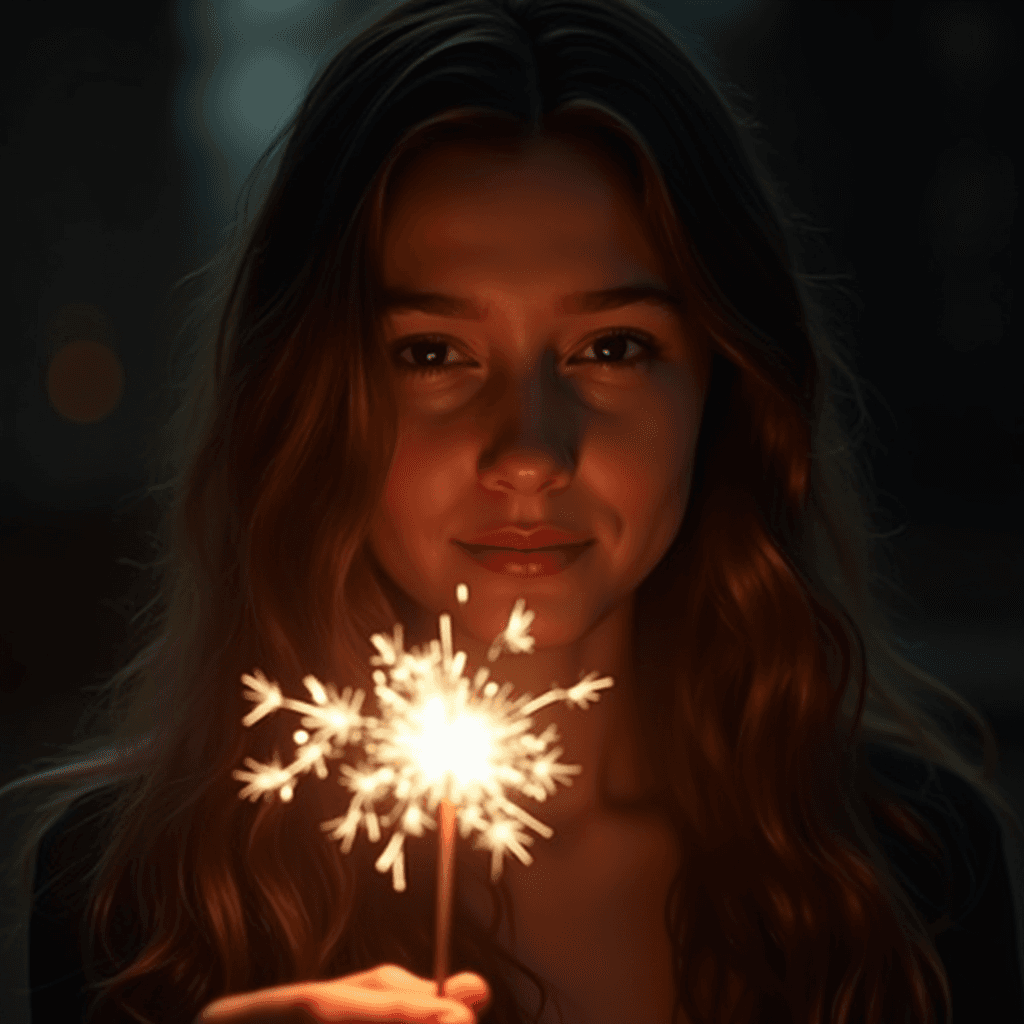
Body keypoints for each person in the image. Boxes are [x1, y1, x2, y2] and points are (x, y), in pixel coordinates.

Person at [5, 0, 1023, 1022]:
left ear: (726, 389)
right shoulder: (125, 893)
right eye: (432, 353)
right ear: (307, 404)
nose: (529, 452)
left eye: (611, 347)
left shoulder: (909, 869)